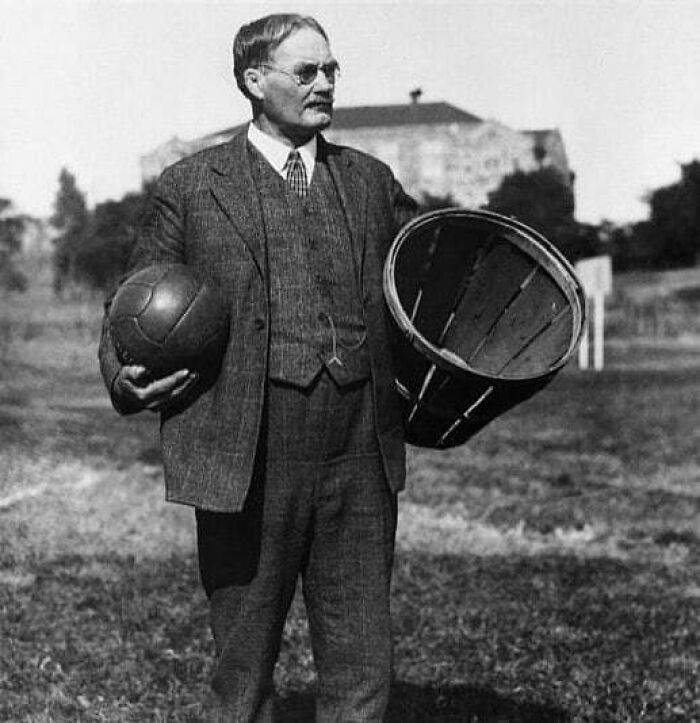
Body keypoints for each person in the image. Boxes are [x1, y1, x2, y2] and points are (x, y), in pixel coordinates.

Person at [99, 12, 417, 722]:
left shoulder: (370, 181)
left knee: (363, 664)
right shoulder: (191, 185)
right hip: (246, 450)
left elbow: (425, 281)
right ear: (253, 79)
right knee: (242, 670)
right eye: (306, 71)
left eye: (331, 69)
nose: (325, 83)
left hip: (360, 449)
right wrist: (121, 376)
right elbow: (131, 301)